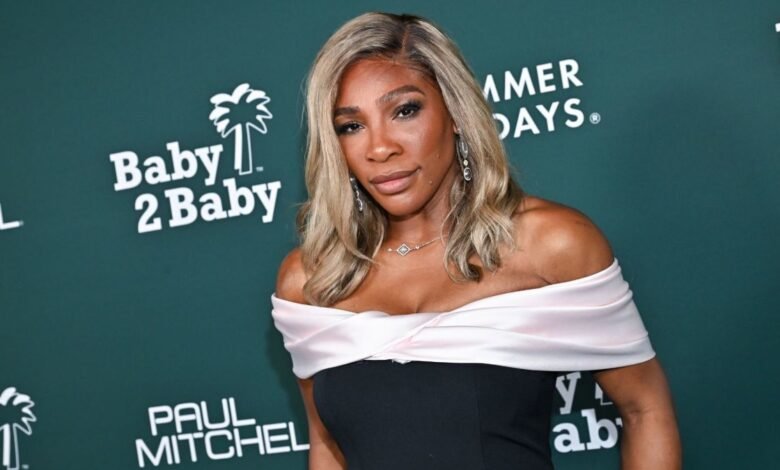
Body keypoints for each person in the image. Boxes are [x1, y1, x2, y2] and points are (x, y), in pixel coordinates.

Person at [272, 12, 681, 470]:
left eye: (404, 111)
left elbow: (645, 409)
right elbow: (327, 447)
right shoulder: (310, 281)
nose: (380, 147)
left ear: (455, 113)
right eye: (351, 126)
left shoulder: (550, 245)